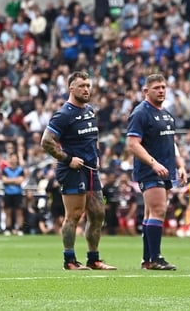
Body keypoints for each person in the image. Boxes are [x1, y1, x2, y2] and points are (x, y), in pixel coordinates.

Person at [41, 71, 116, 270]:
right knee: (73, 215)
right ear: (71, 88)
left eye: (88, 85)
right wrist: (67, 158)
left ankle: (94, 258)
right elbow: (46, 142)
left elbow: (92, 136)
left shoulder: (90, 110)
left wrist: (97, 154)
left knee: (98, 214)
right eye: (82, 85)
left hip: (91, 170)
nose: (86, 89)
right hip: (72, 170)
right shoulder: (64, 114)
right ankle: (70, 260)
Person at [126, 73, 187, 270]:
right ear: (146, 91)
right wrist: (153, 164)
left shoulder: (167, 114)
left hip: (166, 169)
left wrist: (180, 165)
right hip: (150, 170)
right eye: (156, 88)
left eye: (163, 87)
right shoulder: (141, 113)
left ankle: (147, 260)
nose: (161, 91)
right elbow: (133, 144)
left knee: (151, 213)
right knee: (159, 210)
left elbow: (171, 142)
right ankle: (156, 258)